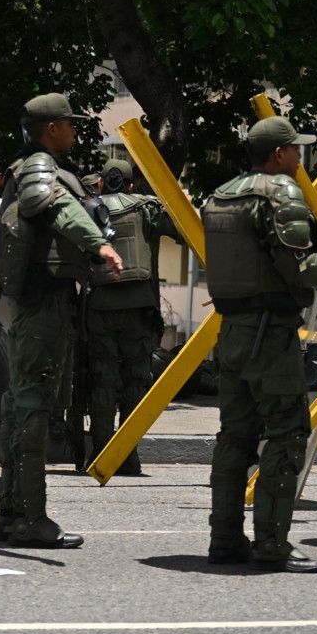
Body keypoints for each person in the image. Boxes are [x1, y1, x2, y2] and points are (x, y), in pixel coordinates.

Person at [199, 116, 317, 572]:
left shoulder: (220, 196)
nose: (299, 158)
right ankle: (272, 544)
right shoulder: (280, 193)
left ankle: (224, 539)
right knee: (286, 435)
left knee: (235, 437)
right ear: (278, 155)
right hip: (270, 335)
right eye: (295, 150)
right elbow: (301, 266)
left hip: (230, 330)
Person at [0, 93, 123, 547]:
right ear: (52, 128)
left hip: (38, 299)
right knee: (32, 404)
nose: (74, 131)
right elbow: (53, 206)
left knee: (20, 402)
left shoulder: (29, 166)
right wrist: (97, 243)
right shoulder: (39, 167)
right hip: (45, 299)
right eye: (70, 124)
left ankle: (13, 513)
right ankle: (30, 517)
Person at [84, 159, 182, 475]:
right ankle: (128, 457)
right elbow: (181, 229)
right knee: (136, 382)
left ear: (101, 183)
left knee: (102, 381)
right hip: (139, 309)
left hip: (98, 307)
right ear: (128, 185)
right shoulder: (146, 208)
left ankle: (99, 456)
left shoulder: (87, 209)